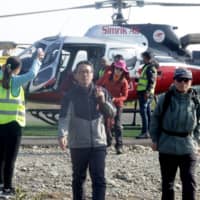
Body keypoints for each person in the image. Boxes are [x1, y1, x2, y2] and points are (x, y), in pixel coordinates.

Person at [58, 61, 116, 200]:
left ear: (92, 75)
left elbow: (112, 113)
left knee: (99, 179)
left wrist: (102, 101)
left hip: (98, 143)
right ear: (76, 76)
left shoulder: (101, 92)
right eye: (81, 72)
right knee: (78, 178)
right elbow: (64, 118)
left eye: (88, 72)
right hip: (78, 144)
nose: (85, 74)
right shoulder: (69, 96)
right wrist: (62, 135)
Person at [150, 68, 200, 200]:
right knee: (168, 183)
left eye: (186, 80)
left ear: (191, 81)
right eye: (180, 80)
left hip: (189, 146)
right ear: (174, 81)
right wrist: (155, 139)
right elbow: (155, 118)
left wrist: (197, 141)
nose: (183, 83)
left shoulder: (196, 101)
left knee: (189, 181)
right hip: (167, 145)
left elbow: (199, 123)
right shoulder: (164, 99)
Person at [0, 51, 43, 198]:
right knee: (10, 159)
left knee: (0, 157)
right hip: (14, 125)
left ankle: (0, 185)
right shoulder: (15, 81)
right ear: (17, 69)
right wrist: (37, 59)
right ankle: (7, 188)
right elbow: (32, 74)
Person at [97, 59, 129, 154]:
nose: (118, 71)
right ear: (114, 68)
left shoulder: (124, 81)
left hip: (117, 105)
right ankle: (107, 142)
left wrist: (116, 99)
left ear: (123, 71)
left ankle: (119, 146)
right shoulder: (107, 76)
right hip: (106, 103)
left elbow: (125, 96)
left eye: (120, 69)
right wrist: (100, 93)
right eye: (117, 68)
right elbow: (98, 84)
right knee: (105, 124)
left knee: (117, 125)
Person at [136, 51, 157, 139]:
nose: (143, 59)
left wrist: (147, 92)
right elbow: (145, 80)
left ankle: (145, 132)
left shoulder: (150, 68)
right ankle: (149, 131)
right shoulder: (148, 67)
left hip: (145, 93)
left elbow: (151, 82)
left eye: (144, 57)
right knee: (147, 112)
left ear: (148, 58)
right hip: (145, 92)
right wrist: (138, 80)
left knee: (143, 112)